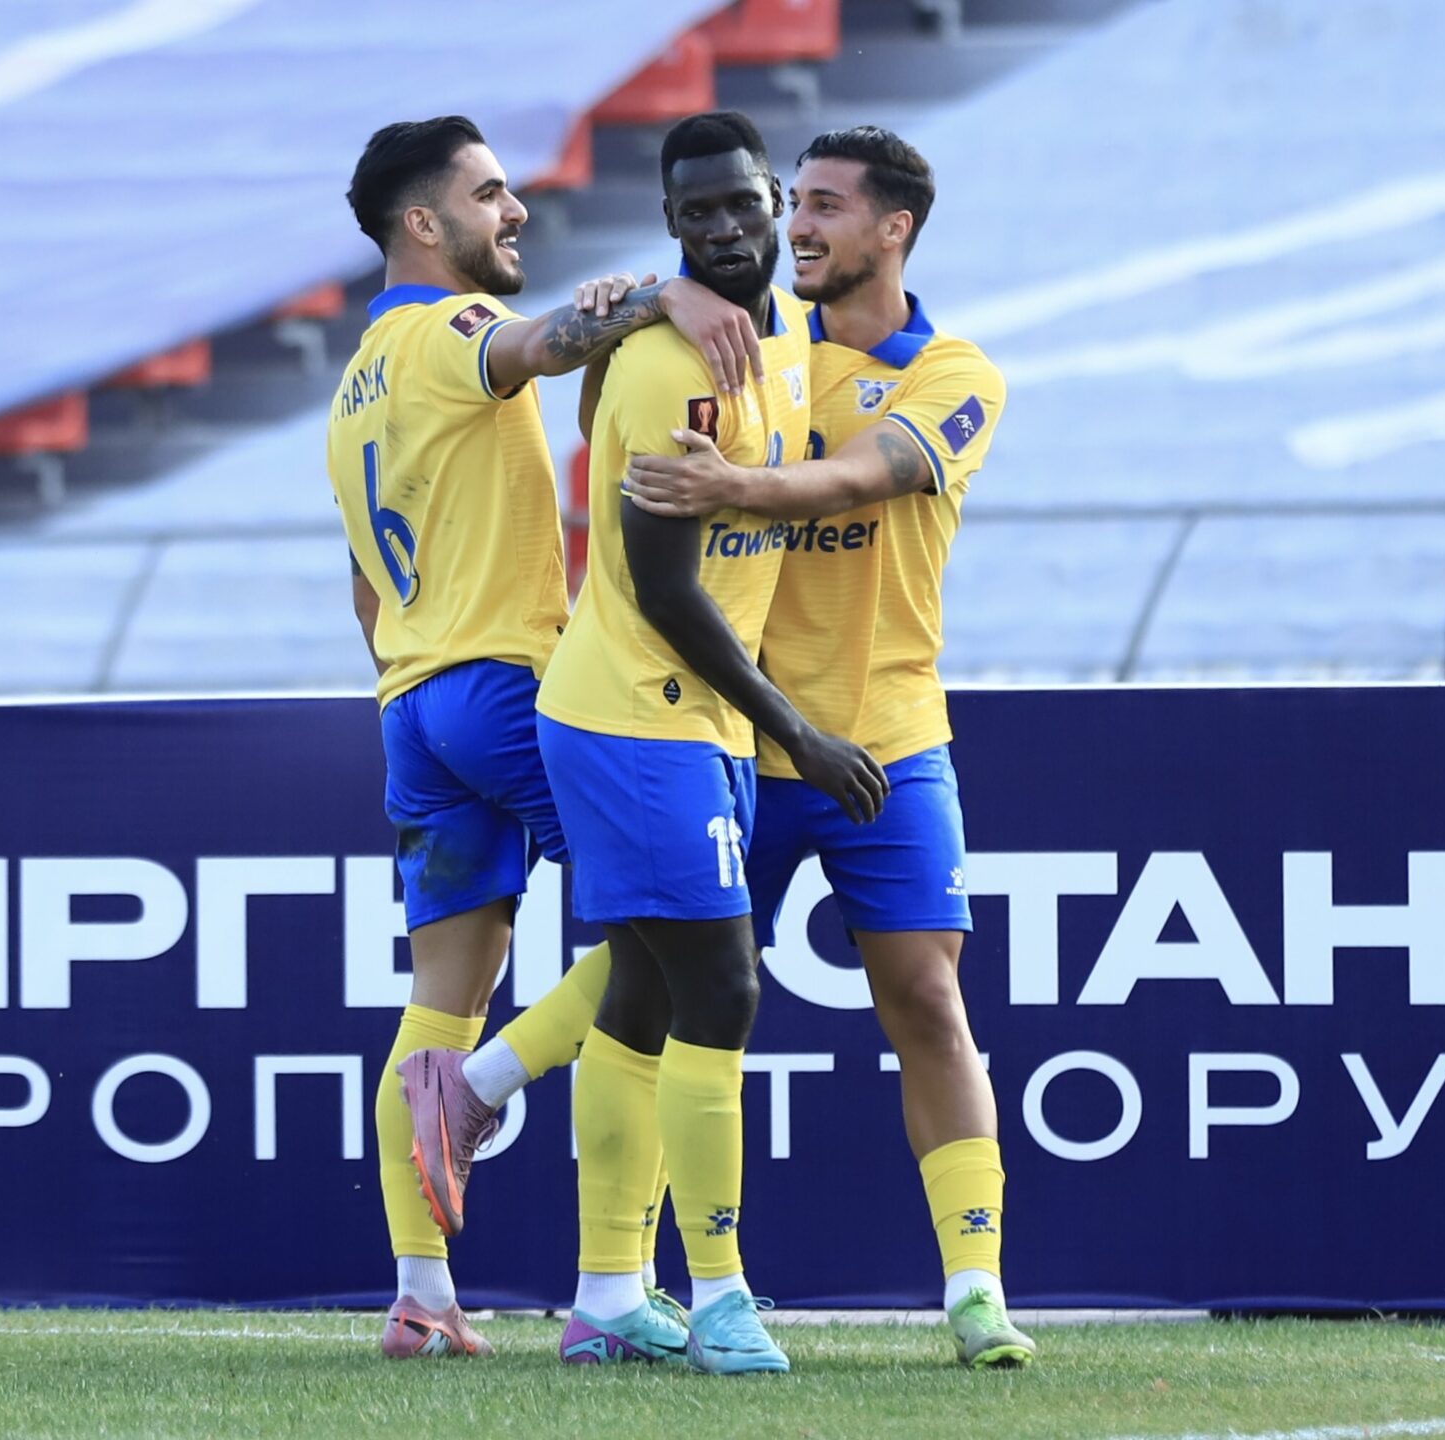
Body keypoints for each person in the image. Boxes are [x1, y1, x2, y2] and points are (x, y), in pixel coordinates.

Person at [326, 114, 764, 1359]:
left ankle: (422, 1295)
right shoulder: (447, 329)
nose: (514, 210)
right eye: (488, 194)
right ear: (423, 223)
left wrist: (418, 680)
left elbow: (360, 585)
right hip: (509, 682)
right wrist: (665, 291)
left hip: (412, 701)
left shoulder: (353, 384)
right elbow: (545, 340)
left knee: (440, 998)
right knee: (670, 938)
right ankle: (493, 1106)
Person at [615, 125, 1035, 1368]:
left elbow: (859, 479)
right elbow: (627, 318)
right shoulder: (755, 342)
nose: (795, 224)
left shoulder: (954, 374)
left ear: (893, 229)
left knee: (927, 999)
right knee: (651, 992)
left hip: (887, 740)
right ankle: (618, 1275)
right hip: (732, 735)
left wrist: (732, 490)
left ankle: (975, 1290)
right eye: (793, 201)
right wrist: (663, 293)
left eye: (826, 206)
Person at [537, 110, 884, 1376]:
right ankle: (722, 1295)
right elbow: (666, 589)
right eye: (699, 213)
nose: (727, 229)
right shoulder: (665, 364)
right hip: (640, 707)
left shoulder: (781, 331)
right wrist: (801, 731)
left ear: (774, 198)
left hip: (691, 712)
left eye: (744, 203)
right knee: (723, 990)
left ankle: (606, 1298)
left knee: (639, 992)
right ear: (671, 221)